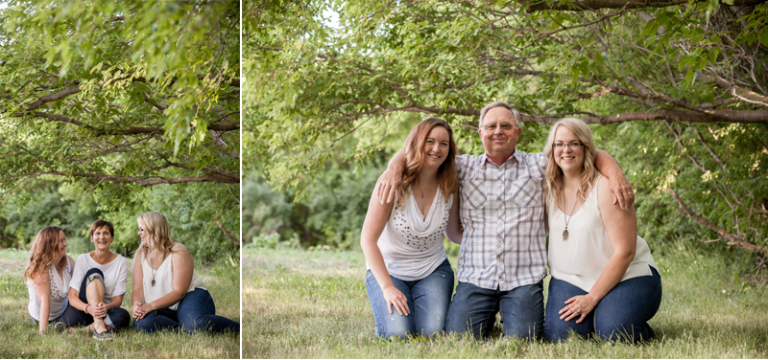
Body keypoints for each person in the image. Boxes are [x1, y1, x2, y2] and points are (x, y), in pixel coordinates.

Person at [376, 101, 635, 340]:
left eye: (506, 126)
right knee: (459, 338)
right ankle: (487, 314)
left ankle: (503, 315)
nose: (498, 131)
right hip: (476, 278)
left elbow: (589, 151)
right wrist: (393, 167)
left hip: (522, 280)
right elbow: (420, 150)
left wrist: (617, 174)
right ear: (481, 134)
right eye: (491, 126)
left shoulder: (539, 166)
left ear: (518, 132)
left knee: (524, 338)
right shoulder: (461, 168)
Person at [542, 118, 662, 343]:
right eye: (559, 144)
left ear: (586, 147)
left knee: (614, 333)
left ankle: (617, 316)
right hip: (571, 279)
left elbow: (625, 251)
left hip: (627, 275)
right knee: (561, 336)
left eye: (574, 143)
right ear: (551, 150)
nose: (566, 150)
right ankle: (600, 315)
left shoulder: (607, 187)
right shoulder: (547, 183)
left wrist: (593, 298)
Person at [361, 117, 463, 339]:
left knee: (432, 332)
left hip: (433, 269)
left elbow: (454, 234)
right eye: (430, 141)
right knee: (398, 335)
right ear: (418, 142)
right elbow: (367, 240)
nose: (436, 148)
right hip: (390, 270)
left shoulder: (450, 182)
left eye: (444, 143)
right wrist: (387, 288)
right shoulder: (393, 182)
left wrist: (491, 237)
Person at [131, 211, 240, 334]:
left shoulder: (179, 252)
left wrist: (149, 306)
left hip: (189, 296)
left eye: (142, 229)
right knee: (141, 323)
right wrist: (137, 306)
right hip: (161, 306)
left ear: (154, 230)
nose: (139, 234)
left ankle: (237, 329)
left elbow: (179, 292)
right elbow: (138, 289)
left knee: (196, 324)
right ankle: (184, 328)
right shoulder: (140, 254)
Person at [61, 220, 131, 340]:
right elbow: (72, 296)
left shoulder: (121, 262)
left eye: (106, 233)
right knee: (95, 272)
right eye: (97, 233)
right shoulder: (83, 259)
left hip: (105, 312)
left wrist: (106, 307)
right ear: (92, 238)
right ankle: (99, 325)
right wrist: (89, 308)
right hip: (83, 311)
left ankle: (87, 329)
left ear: (112, 238)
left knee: (123, 316)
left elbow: (117, 300)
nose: (102, 237)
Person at [24, 226, 75, 334]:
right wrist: (43, 332)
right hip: (43, 316)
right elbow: (45, 300)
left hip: (64, 310)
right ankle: (58, 324)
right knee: (82, 318)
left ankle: (65, 323)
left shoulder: (69, 261)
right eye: (61, 241)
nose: (65, 243)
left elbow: (79, 287)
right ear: (50, 245)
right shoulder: (41, 268)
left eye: (64, 240)